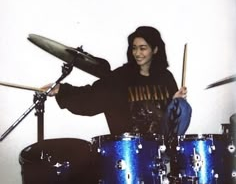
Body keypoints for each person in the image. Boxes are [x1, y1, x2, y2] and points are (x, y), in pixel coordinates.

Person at [42, 26, 191, 138]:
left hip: (162, 147)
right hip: (130, 148)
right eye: (134, 48)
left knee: (183, 107)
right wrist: (62, 90)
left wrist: (175, 100)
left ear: (155, 49)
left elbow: (171, 119)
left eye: (143, 48)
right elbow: (91, 96)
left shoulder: (165, 77)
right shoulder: (121, 77)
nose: (137, 53)